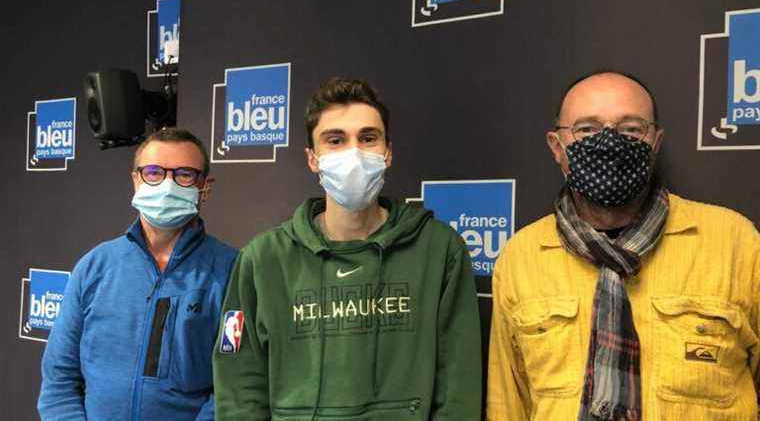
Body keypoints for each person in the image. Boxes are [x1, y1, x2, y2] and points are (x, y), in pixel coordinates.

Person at [486, 70, 760, 420]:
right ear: (557, 147)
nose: (610, 143)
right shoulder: (521, 257)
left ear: (655, 143)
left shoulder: (734, 243)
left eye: (631, 129)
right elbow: (508, 404)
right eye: (587, 129)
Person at [213, 78, 482, 420]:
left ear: (387, 153)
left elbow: (459, 390)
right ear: (312, 158)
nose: (353, 153)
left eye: (368, 138)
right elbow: (238, 387)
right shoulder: (264, 259)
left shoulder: (439, 250)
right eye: (335, 140)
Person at [38, 128, 238, 420]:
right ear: (136, 180)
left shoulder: (231, 270)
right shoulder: (95, 267)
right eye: (154, 172)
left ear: (205, 186)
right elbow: (59, 379)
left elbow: (231, 387)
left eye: (184, 174)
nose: (167, 185)